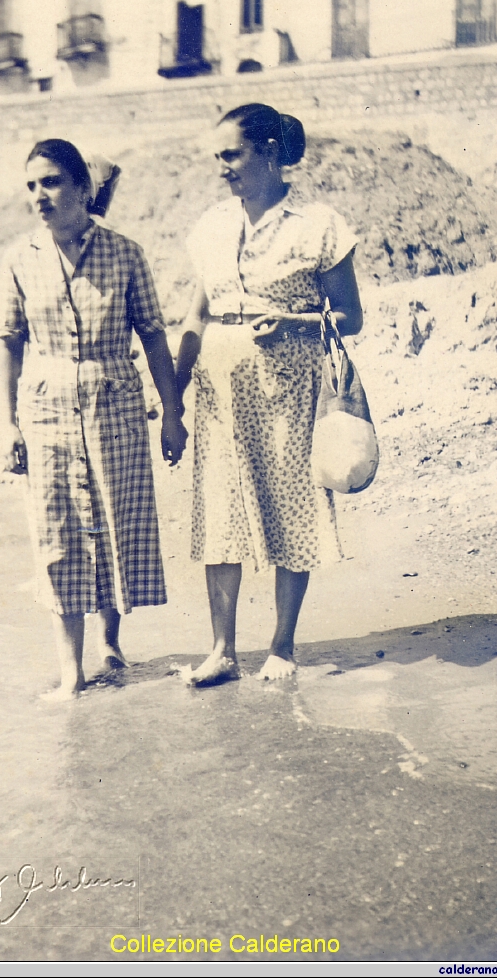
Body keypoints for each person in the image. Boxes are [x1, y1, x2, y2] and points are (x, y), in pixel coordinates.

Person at [175, 103, 363, 685]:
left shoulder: (319, 225)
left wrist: (294, 324)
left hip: (288, 383)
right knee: (219, 513)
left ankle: (282, 646)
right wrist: (174, 399)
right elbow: (195, 315)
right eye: (218, 157)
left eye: (232, 154)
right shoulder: (210, 226)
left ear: (271, 153)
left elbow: (350, 316)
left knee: (291, 508)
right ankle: (222, 651)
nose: (222, 168)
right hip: (219, 387)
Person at [0, 139, 187, 701]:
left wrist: (171, 414)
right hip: (46, 410)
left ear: (82, 188)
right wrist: (5, 424)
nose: (39, 196)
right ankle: (70, 674)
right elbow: (7, 342)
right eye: (31, 185)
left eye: (51, 182)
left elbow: (153, 334)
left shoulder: (125, 253)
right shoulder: (18, 258)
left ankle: (111, 642)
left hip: (116, 403)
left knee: (111, 523)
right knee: (57, 535)